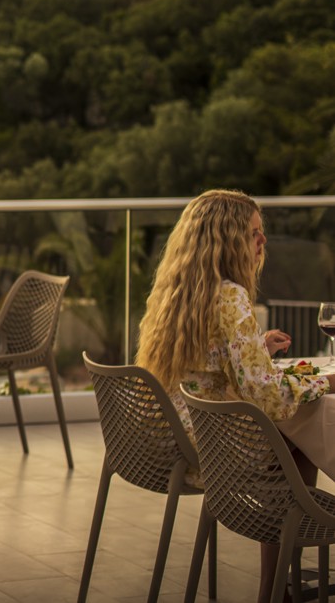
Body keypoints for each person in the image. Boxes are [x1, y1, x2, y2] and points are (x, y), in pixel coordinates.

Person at [136, 189, 335, 603]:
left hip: (175, 436)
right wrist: (324, 383)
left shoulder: (176, 291)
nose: (263, 242)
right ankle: (279, 577)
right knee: (294, 433)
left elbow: (204, 358)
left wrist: (255, 343)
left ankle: (281, 582)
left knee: (288, 438)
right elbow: (266, 397)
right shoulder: (231, 295)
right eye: (254, 234)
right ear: (227, 239)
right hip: (212, 449)